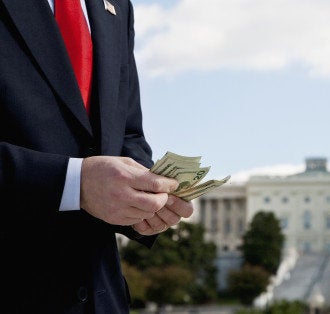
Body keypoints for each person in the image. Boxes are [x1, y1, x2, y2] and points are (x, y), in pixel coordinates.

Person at [0, 0, 194, 312]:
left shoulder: (117, 6)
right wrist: (74, 183)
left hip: (102, 296)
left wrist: (141, 199)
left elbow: (127, 133)